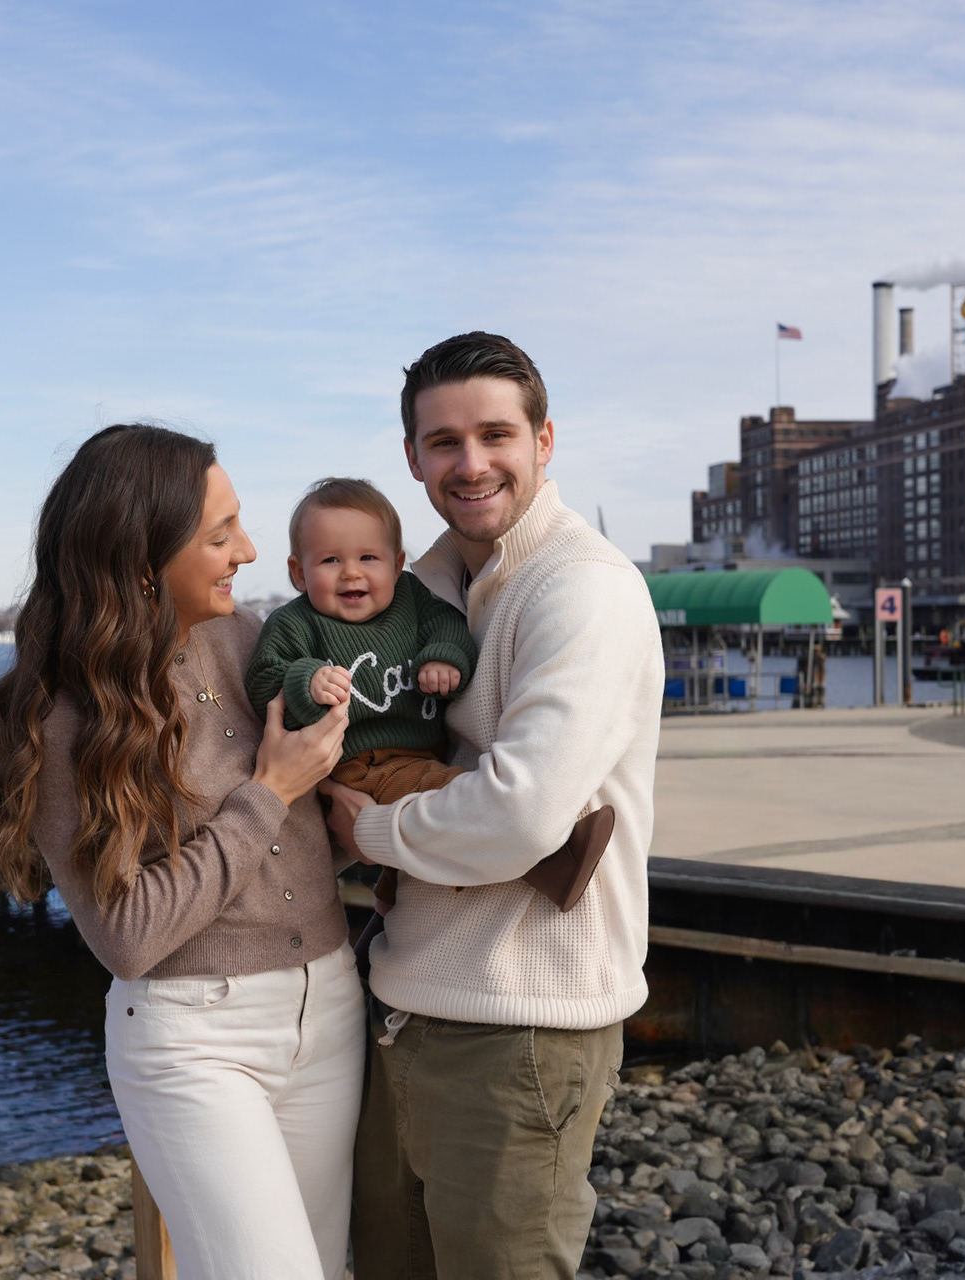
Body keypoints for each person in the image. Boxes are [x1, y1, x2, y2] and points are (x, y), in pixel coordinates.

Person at [0, 423, 365, 1280]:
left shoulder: (256, 641)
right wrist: (272, 792)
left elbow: (290, 854)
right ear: (143, 559)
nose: (247, 551)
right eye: (221, 535)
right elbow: (127, 935)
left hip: (331, 1005)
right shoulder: (63, 715)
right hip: (195, 1040)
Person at [319, 334, 666, 1279]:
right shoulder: (421, 590)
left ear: (544, 440)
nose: (470, 464)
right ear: (412, 458)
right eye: (444, 442)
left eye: (495, 435)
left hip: (524, 1025)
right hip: (402, 1004)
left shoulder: (584, 589)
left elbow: (522, 816)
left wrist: (370, 829)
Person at [247, 476, 616, 921]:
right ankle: (557, 864)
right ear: (298, 572)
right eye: (330, 560)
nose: (351, 572)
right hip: (358, 763)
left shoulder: (412, 597)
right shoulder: (294, 623)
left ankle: (390, 895)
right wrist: (306, 682)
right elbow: (263, 680)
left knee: (433, 792)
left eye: (368, 557)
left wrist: (444, 657)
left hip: (423, 749)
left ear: (397, 563)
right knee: (454, 796)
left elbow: (446, 622)